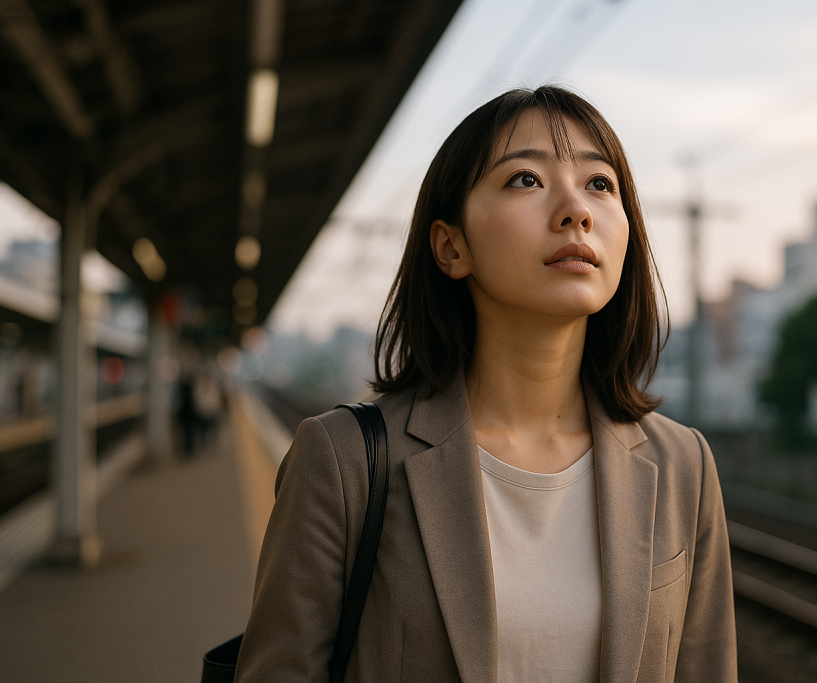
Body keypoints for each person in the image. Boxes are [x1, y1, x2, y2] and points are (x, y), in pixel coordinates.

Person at [235, 86, 737, 682]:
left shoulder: (682, 464)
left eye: (600, 183)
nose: (576, 209)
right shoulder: (342, 462)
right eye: (526, 179)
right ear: (451, 246)